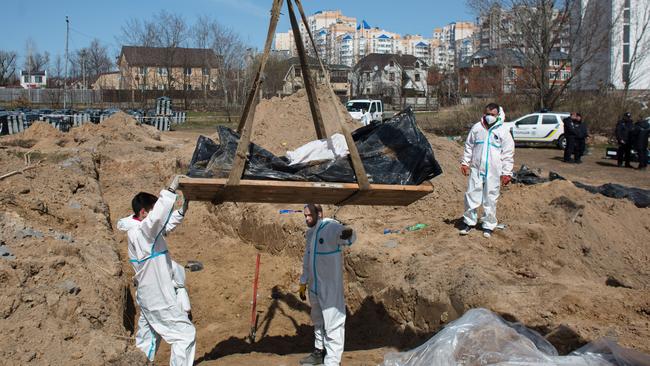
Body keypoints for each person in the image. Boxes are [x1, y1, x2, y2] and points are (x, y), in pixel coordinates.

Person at [117, 175, 195, 366]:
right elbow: (157, 220)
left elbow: (163, 226)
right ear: (144, 213)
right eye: (151, 213)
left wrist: (181, 211)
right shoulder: (142, 233)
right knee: (185, 335)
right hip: (157, 296)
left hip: (147, 296)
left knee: (148, 339)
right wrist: (170, 191)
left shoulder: (140, 230)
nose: (154, 217)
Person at [299, 204, 356, 366]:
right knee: (317, 320)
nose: (307, 219)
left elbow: (348, 236)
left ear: (320, 213)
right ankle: (319, 352)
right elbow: (307, 260)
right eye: (305, 216)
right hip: (314, 286)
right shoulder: (311, 234)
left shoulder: (331, 227)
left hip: (330, 287)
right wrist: (303, 281)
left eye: (309, 215)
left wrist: (348, 234)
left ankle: (332, 362)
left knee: (334, 324)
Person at [458, 103, 515, 238]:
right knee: (472, 195)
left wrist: (507, 172)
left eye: (492, 115)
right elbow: (469, 146)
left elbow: (508, 153)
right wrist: (465, 163)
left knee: (490, 197)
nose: (489, 117)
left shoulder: (503, 131)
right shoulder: (477, 128)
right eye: (487, 114)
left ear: (498, 115)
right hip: (477, 169)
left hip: (494, 171)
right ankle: (469, 222)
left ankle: (488, 225)